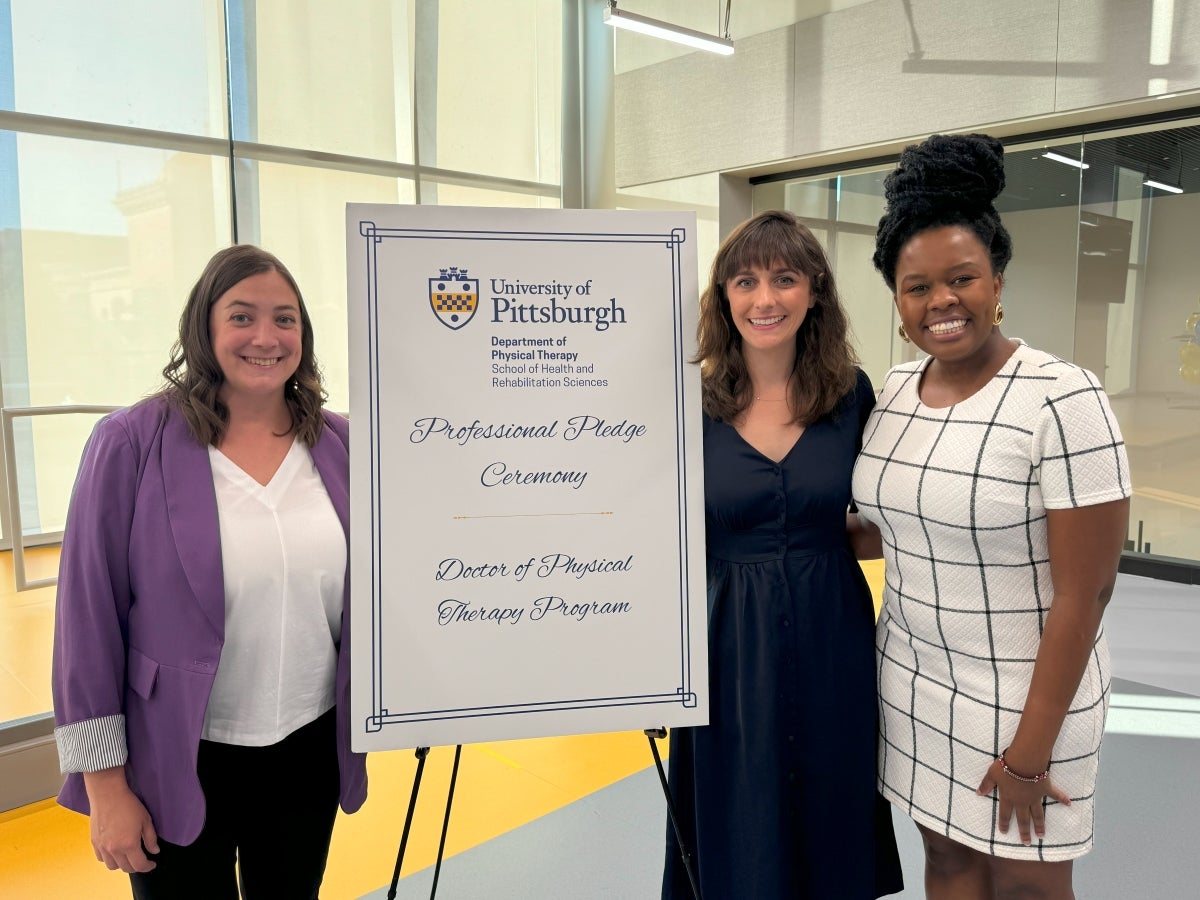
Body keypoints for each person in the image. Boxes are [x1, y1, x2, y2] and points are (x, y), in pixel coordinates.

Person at [852, 134, 1131, 899]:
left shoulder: (1062, 397)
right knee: (945, 864)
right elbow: (898, 520)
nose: (941, 300)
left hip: (1032, 694)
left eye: (961, 278)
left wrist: (1029, 757)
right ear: (898, 302)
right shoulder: (896, 395)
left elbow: (1088, 593)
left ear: (996, 282)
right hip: (913, 680)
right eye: (916, 287)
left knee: (1026, 884)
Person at [51, 244, 367, 899]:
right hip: (178, 754)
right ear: (205, 328)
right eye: (242, 316)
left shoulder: (340, 446)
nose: (266, 336)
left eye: (285, 319)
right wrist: (104, 786)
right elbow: (87, 617)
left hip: (308, 750)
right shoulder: (132, 443)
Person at [662, 210, 904, 899]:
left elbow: (866, 520)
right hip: (726, 641)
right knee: (740, 813)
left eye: (784, 278)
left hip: (834, 633)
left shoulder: (851, 394)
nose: (765, 298)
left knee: (832, 799)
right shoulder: (687, 403)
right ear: (724, 296)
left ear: (815, 292)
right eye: (746, 280)